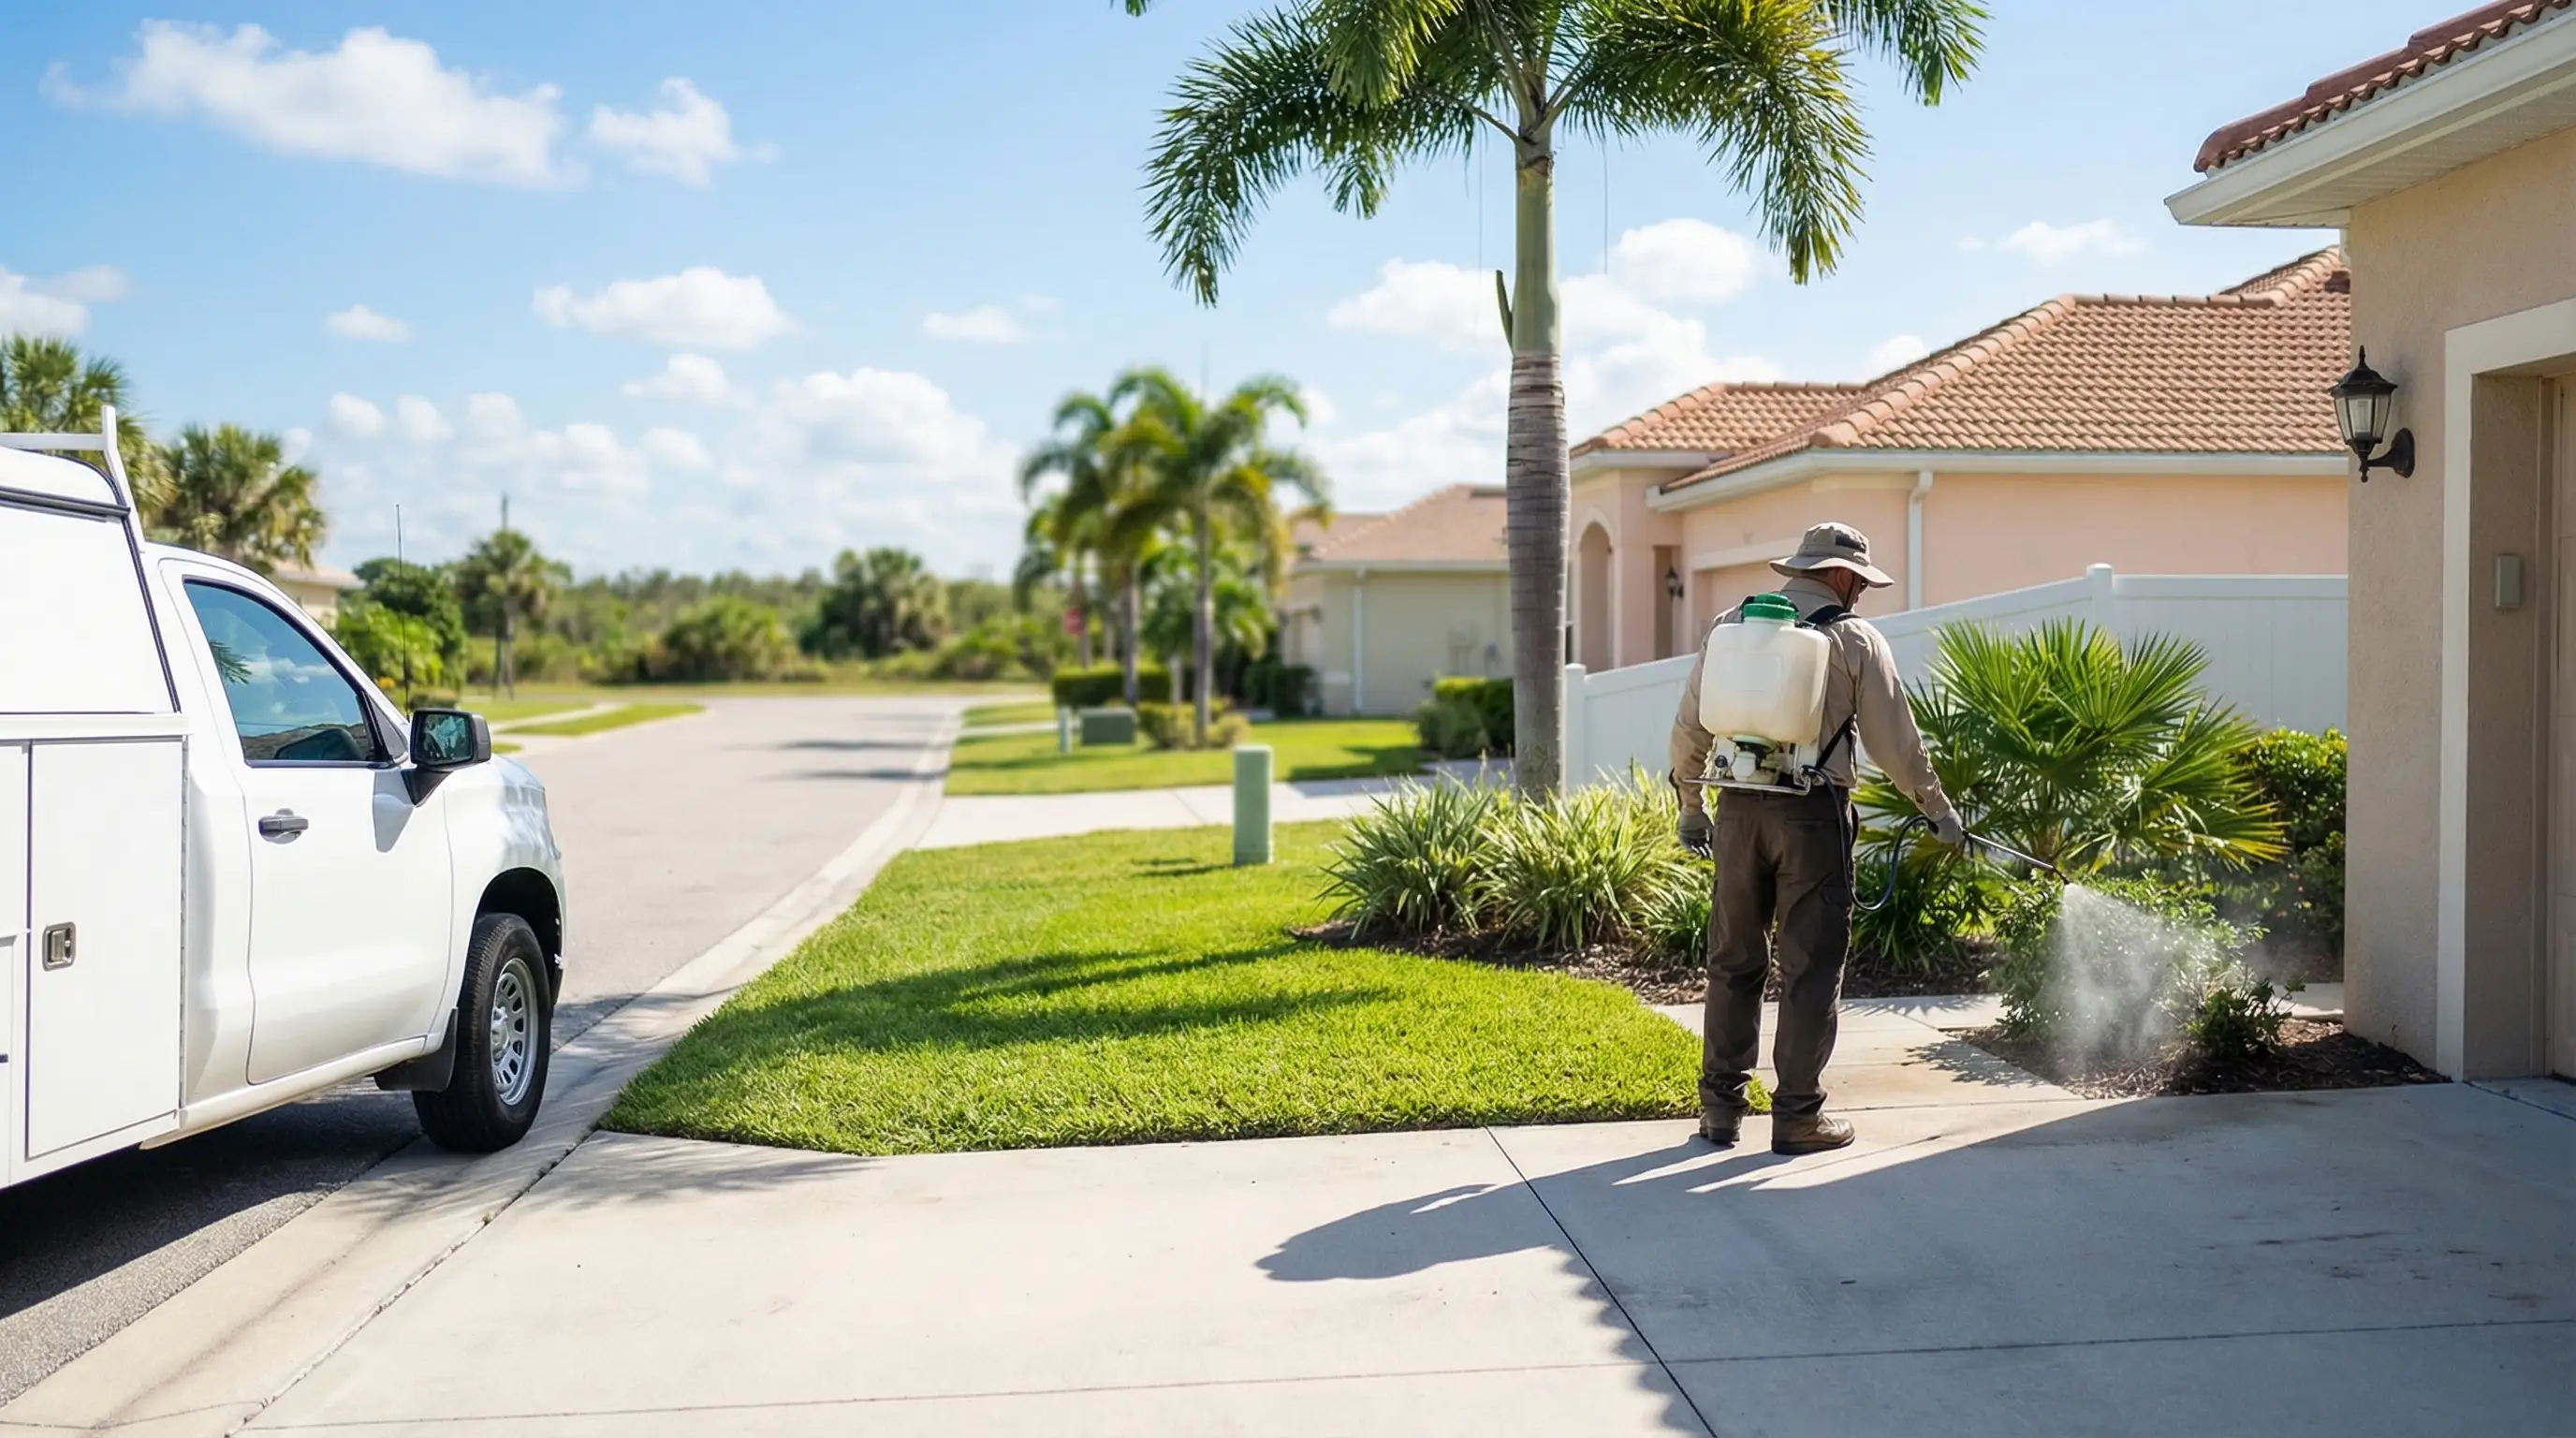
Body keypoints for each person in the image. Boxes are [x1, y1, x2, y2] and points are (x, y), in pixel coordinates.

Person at [1667, 522, 1964, 1155]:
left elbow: (1691, 723)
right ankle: (1798, 1117)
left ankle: (1719, 1111)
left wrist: (1691, 807)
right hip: (1813, 818)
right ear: (1839, 575)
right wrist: (1938, 811)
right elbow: (1896, 745)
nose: (1860, 591)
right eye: (1858, 580)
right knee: (1809, 969)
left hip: (1740, 811)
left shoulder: (1732, 627)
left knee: (1733, 961)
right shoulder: (1853, 638)